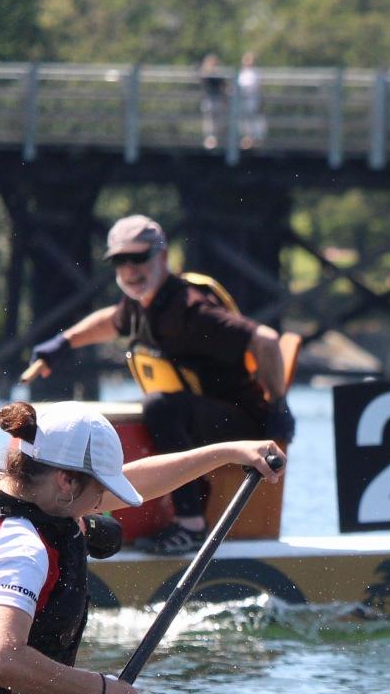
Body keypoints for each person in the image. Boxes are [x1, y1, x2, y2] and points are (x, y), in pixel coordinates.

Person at [0, 401, 284, 694]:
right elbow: (3, 658)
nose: (103, 505)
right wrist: (102, 690)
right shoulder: (20, 547)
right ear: (66, 481)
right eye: (100, 490)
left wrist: (227, 453)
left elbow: (138, 480)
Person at [25, 214, 297, 554]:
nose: (130, 270)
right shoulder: (141, 304)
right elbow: (109, 321)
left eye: (139, 258)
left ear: (163, 257)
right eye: (121, 261)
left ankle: (191, 525)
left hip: (243, 423)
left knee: (160, 408)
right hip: (201, 418)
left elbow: (267, 340)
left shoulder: (189, 308)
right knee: (147, 408)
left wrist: (278, 405)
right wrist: (61, 345)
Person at [199, 53, 230, 150]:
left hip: (218, 99)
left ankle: (217, 139)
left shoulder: (219, 73)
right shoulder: (205, 72)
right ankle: (210, 139)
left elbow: (224, 85)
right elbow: (202, 80)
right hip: (209, 99)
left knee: (219, 120)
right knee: (209, 120)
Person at [236, 52, 266, 150]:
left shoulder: (255, 73)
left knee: (253, 119)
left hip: (252, 100)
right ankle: (246, 139)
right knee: (244, 120)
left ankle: (255, 139)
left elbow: (255, 87)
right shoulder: (241, 73)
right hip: (242, 100)